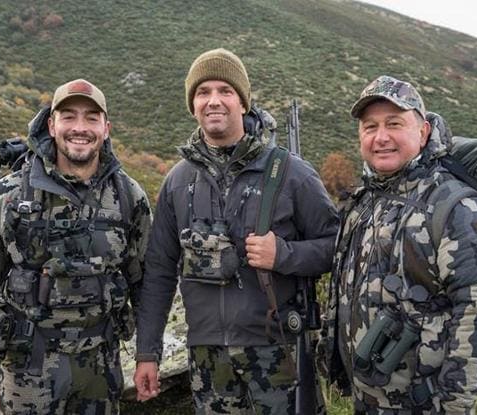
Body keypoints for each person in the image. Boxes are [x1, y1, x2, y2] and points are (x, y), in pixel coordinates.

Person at [133, 48, 339, 414]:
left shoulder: (292, 173)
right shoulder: (178, 182)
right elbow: (159, 273)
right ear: (192, 104)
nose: (214, 101)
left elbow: (336, 247)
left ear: (243, 102)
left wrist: (285, 255)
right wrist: (148, 352)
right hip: (208, 361)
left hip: (279, 356)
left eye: (225, 91)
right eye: (203, 92)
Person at [0, 78, 152, 415]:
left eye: (91, 118)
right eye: (68, 116)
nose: (80, 128)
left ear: (106, 128)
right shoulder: (8, 197)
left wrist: (149, 354)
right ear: (51, 124)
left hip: (101, 369)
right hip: (28, 370)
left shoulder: (129, 198)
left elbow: (145, 285)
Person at [321, 75, 477, 414]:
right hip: (369, 395)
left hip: (424, 405)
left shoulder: (453, 205)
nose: (381, 137)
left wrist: (451, 406)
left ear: (422, 132)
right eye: (370, 126)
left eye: (394, 124)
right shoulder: (364, 202)